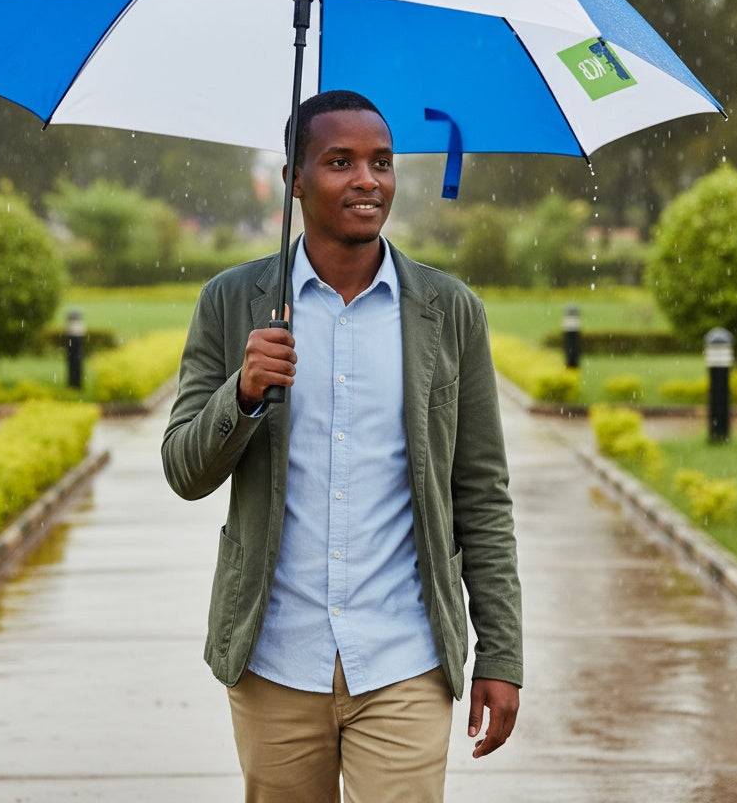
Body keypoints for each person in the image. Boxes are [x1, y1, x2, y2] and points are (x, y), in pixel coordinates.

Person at [162, 90, 522, 802]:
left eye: (381, 162)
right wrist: (242, 394)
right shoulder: (234, 302)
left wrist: (501, 653)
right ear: (294, 179)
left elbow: (481, 493)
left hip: (405, 658)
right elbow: (184, 469)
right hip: (274, 656)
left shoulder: (449, 312)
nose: (367, 180)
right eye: (339, 161)